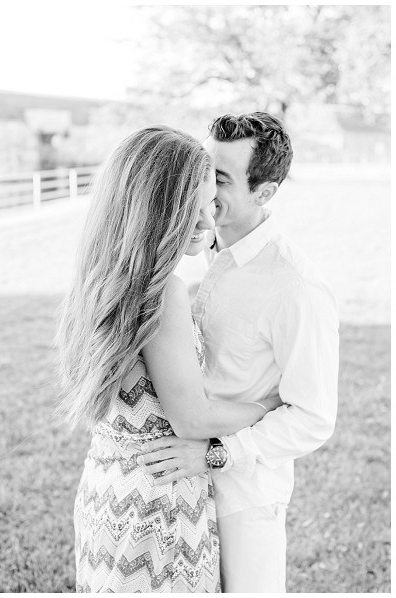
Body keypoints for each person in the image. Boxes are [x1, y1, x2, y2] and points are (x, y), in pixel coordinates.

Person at [56, 125, 282, 593]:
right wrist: (269, 405)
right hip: (160, 507)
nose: (206, 220)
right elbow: (193, 419)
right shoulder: (163, 295)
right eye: (190, 208)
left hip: (107, 491)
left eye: (208, 203)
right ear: (155, 212)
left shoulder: (98, 283)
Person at [138, 112, 339, 592]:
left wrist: (217, 455)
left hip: (244, 496)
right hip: (175, 485)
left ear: (265, 193)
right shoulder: (192, 249)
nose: (204, 187)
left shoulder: (294, 286)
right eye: (205, 170)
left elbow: (313, 417)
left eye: (221, 179)